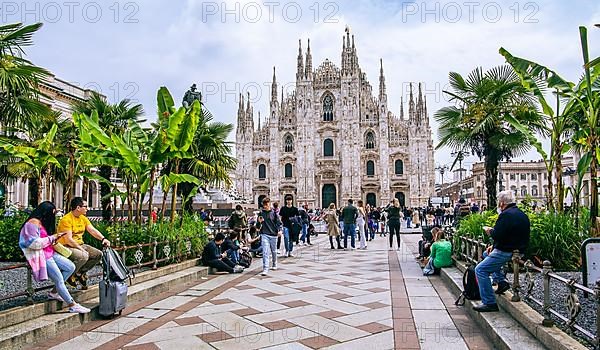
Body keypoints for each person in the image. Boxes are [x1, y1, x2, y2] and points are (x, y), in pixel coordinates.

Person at [19, 201, 90, 313]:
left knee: (70, 267)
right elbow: (34, 243)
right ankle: (72, 304)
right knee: (59, 279)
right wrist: (52, 238)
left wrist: (53, 238)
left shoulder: (41, 223)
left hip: (49, 252)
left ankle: (54, 293)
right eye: (52, 213)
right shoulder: (31, 224)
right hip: (42, 256)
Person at [474, 190, 530, 312]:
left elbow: (498, 235)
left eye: (499, 202)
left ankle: (489, 302)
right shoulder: (521, 214)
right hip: (518, 248)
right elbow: (508, 234)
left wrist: (489, 231)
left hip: (507, 250)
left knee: (480, 270)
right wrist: (494, 247)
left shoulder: (505, 215)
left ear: (502, 203)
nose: (498, 204)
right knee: (485, 254)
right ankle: (501, 281)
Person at [57, 197, 110, 290]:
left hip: (79, 244)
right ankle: (70, 275)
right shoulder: (66, 219)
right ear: (78, 207)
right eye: (85, 206)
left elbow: (92, 230)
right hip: (66, 246)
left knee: (98, 254)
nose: (87, 208)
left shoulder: (83, 218)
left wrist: (103, 239)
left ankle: (79, 273)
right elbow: (69, 240)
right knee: (83, 256)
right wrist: (81, 249)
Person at [256, 197, 282, 276]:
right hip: (264, 234)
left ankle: (274, 263)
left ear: (269, 204)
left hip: (273, 234)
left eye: (266, 205)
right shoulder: (261, 213)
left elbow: (279, 223)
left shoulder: (274, 213)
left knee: (273, 251)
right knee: (265, 252)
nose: (265, 207)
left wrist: (280, 230)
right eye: (264, 205)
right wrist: (259, 222)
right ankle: (265, 268)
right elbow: (257, 226)